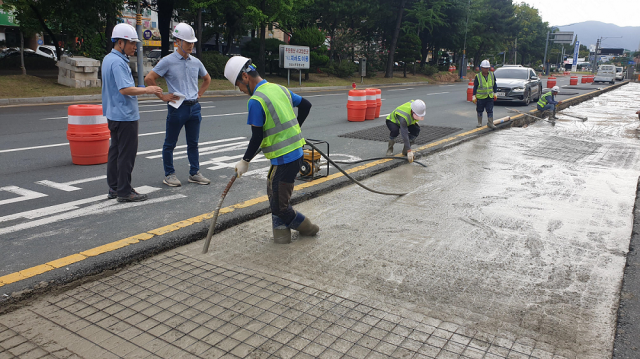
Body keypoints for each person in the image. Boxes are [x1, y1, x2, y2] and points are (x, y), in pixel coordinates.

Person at [223, 56, 318, 244]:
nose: (241, 90)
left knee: (280, 206)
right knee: (273, 191)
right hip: (296, 154)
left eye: (239, 85)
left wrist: (245, 161)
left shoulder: (256, 100)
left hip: (284, 160)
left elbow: (257, 137)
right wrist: (296, 128)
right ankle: (281, 236)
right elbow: (306, 105)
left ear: (245, 77)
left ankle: (309, 228)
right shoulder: (279, 88)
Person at [145, 23, 212, 187]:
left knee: (193, 143)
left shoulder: (196, 62)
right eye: (187, 42)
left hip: (194, 107)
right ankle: (169, 174)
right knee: (170, 143)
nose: (191, 45)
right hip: (177, 107)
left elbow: (207, 79)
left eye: (192, 42)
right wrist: (162, 96)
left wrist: (200, 94)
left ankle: (194, 173)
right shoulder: (168, 61)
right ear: (178, 41)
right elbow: (149, 79)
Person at [103, 23, 163, 202]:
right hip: (124, 115)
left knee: (115, 152)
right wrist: (148, 90)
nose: (134, 47)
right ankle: (124, 191)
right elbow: (125, 89)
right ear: (120, 43)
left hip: (113, 113)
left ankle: (114, 187)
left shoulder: (108, 59)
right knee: (126, 155)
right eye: (131, 43)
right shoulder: (118, 63)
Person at [472, 60, 497, 129]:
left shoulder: (492, 75)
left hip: (489, 96)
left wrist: (495, 93)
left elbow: (494, 85)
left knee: (490, 110)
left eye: (487, 68)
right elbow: (475, 87)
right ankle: (479, 123)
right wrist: (474, 96)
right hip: (481, 97)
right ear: (481, 68)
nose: (485, 69)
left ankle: (490, 123)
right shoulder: (478, 76)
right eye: (484, 68)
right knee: (480, 110)